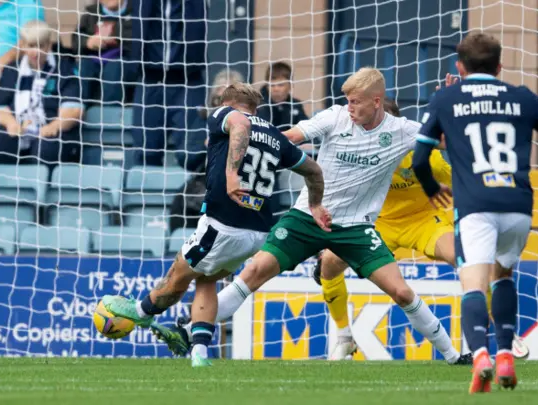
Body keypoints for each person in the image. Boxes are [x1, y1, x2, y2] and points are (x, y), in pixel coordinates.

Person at [165, 68, 470, 365]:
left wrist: (454, 103)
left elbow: (448, 139)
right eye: (347, 100)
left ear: (376, 101)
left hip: (354, 227)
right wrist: (248, 143)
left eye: (356, 102)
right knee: (254, 271)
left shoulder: (401, 131)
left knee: (401, 291)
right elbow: (289, 137)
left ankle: (454, 356)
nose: (349, 108)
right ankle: (192, 327)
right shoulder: (334, 117)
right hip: (307, 217)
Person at [101, 83, 327, 367]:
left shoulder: (227, 113)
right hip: (256, 232)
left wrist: (232, 174)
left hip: (223, 223)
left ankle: (140, 311)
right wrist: (316, 205)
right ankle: (199, 353)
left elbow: (240, 123)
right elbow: (314, 170)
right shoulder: (273, 133)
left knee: (177, 278)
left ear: (228, 102)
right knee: (207, 279)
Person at [412, 32, 538, 393]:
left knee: (473, 283)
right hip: (518, 205)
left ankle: (481, 357)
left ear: (460, 66)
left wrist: (431, 190)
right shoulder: (522, 96)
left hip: (475, 205)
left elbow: (419, 158)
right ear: (500, 65)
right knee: (503, 275)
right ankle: (505, 352)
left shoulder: (447, 98)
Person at [314, 97, 529, 362]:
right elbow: (339, 194)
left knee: (468, 260)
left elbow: (463, 183)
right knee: (330, 263)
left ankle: (502, 331)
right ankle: (345, 337)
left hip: (424, 222)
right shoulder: (359, 153)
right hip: (377, 224)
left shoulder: (429, 158)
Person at [0, 21, 83, 166]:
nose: (35, 52)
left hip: (51, 131)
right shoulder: (11, 70)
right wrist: (11, 124)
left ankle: (41, 188)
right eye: (31, 46)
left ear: (49, 45)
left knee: (46, 148)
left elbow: (73, 111)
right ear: (22, 45)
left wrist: (53, 126)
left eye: (40, 46)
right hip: (18, 128)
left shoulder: (65, 69)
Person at [130, 0, 207, 166]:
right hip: (150, 79)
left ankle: (195, 191)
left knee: (191, 155)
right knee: (145, 155)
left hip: (188, 80)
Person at [169, 69, 245, 234]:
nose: (223, 105)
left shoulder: (249, 122)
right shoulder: (202, 119)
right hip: (205, 181)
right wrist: (205, 146)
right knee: (181, 202)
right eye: (219, 99)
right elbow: (184, 157)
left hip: (242, 181)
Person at [73, 0, 136, 104]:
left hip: (124, 60)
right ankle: (79, 108)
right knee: (84, 66)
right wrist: (88, 42)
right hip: (95, 59)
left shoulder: (137, 12)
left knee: (115, 67)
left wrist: (114, 39)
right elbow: (76, 41)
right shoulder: (91, 12)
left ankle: (109, 113)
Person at [257, 62, 308, 131]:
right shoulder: (259, 105)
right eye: (272, 85)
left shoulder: (296, 105)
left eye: (280, 85)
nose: (276, 89)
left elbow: (304, 128)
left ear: (290, 85)